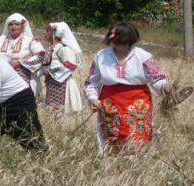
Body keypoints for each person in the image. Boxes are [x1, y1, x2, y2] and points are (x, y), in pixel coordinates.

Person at [84, 22, 169, 154]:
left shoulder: (143, 56)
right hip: (109, 102)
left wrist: (165, 88)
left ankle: (137, 168)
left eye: (115, 34)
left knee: (138, 137)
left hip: (138, 103)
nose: (111, 36)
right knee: (112, 136)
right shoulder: (101, 56)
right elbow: (92, 81)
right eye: (110, 33)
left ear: (127, 36)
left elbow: (157, 77)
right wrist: (93, 99)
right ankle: (114, 168)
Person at [0, 13, 45, 97]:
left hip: (23, 76)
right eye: (11, 24)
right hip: (2, 75)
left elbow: (41, 56)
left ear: (23, 26)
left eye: (17, 24)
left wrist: (21, 62)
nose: (13, 27)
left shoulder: (30, 40)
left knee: (22, 99)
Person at [42, 22, 82, 112]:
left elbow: (70, 65)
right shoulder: (50, 48)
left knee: (61, 111)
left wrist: (49, 71)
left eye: (47, 31)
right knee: (52, 111)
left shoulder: (63, 48)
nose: (44, 32)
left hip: (62, 84)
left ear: (54, 34)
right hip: (52, 84)